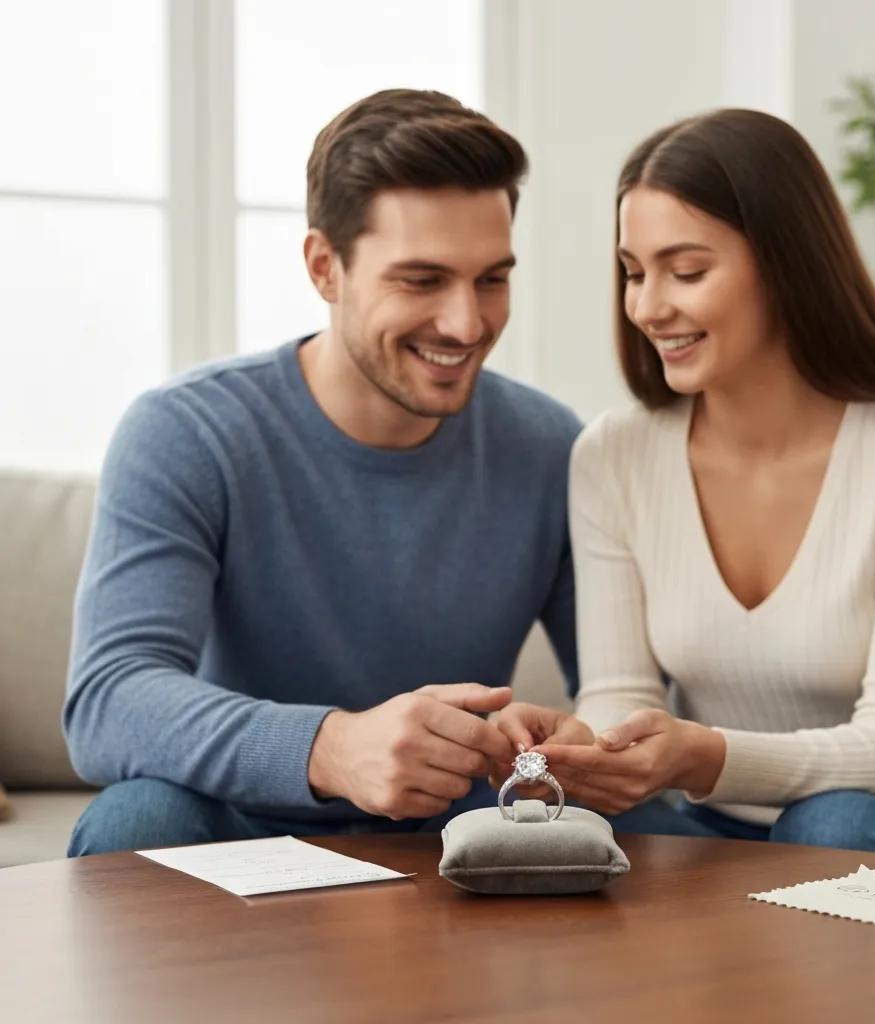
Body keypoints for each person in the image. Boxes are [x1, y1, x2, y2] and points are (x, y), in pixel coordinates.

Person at [63, 89, 586, 855]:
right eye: (420, 280)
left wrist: (552, 745)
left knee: (666, 839)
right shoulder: (187, 432)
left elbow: (614, 700)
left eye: (491, 279)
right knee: (139, 817)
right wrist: (331, 748)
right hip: (248, 832)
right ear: (324, 267)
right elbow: (109, 700)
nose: (467, 324)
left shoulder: (550, 445)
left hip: (464, 833)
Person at [496, 109, 875, 871]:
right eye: (634, 273)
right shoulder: (614, 453)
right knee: (572, 842)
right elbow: (620, 691)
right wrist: (590, 749)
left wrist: (702, 756)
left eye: (687, 270)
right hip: (712, 832)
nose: (647, 306)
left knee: (826, 825)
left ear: (785, 263)